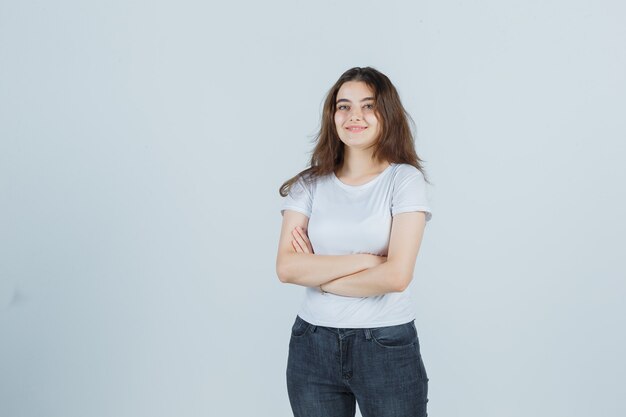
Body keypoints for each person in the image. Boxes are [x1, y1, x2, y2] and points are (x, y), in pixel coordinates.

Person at [276, 66, 432, 417]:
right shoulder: (309, 184)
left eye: (368, 105)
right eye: (343, 106)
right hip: (311, 344)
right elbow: (287, 268)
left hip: (385, 344)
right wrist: (367, 261)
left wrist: (319, 276)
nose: (354, 116)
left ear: (386, 114)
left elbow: (396, 277)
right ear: (332, 115)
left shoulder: (403, 181)